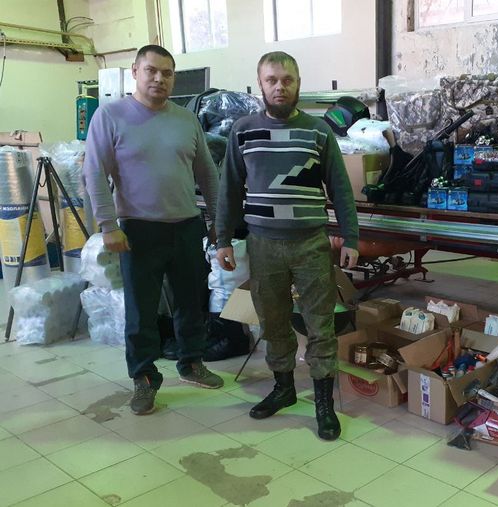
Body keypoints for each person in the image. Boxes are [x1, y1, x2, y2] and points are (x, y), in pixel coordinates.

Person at [215, 51, 359, 441]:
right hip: (263, 245)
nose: (280, 87)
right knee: (273, 321)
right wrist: (222, 239)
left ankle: (324, 404)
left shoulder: (318, 131)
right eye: (272, 80)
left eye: (287, 80)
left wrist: (351, 237)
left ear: (298, 83)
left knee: (320, 325)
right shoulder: (243, 131)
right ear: (260, 84)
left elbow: (341, 189)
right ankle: (284, 389)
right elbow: (229, 189)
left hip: (311, 244)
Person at [83, 44, 224, 416]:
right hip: (138, 231)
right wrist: (108, 226)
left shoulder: (186, 119)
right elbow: (94, 173)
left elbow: (207, 173)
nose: (159, 78)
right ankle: (144, 378)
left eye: (167, 73)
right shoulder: (110, 116)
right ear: (135, 72)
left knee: (191, 302)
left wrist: (217, 221)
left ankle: (191, 362)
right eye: (151, 70)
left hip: (187, 226)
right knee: (142, 311)